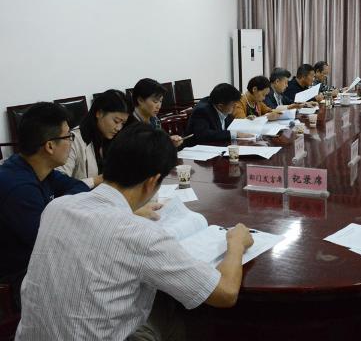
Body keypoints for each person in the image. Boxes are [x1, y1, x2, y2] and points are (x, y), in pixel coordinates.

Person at [16, 123, 254, 340]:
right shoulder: (142, 235)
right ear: (152, 182)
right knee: (188, 316)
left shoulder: (56, 208)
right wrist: (236, 243)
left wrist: (130, 214)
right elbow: (225, 294)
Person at [0, 103, 89, 308]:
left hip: (37, 259)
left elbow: (78, 187)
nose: (71, 142)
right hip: (17, 278)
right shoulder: (19, 188)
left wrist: (59, 206)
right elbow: (50, 244)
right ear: (49, 146)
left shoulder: (38, 168)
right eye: (68, 137)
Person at [57, 89, 130, 189]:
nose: (119, 128)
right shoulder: (73, 140)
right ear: (99, 113)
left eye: (123, 123)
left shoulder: (114, 138)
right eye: (116, 121)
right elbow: (59, 184)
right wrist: (97, 180)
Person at [185, 83, 253, 145]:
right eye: (233, 104)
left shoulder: (224, 106)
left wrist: (244, 121)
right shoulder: (202, 110)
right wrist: (233, 134)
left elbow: (230, 126)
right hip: (199, 150)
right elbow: (203, 134)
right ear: (220, 106)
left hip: (219, 146)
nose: (235, 106)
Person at [129, 78, 183, 148]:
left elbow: (159, 142)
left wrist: (169, 142)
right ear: (140, 100)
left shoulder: (154, 119)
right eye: (155, 101)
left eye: (161, 101)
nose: (159, 106)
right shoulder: (130, 124)